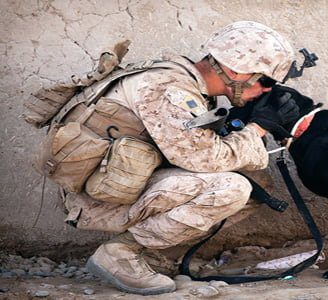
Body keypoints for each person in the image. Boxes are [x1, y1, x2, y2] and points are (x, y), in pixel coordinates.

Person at [80, 21, 301, 295]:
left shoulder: (187, 84)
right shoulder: (169, 90)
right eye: (265, 81)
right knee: (234, 188)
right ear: (234, 70)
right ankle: (120, 253)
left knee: (258, 187)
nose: (267, 90)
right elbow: (205, 159)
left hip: (125, 180)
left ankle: (147, 252)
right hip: (100, 197)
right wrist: (256, 129)